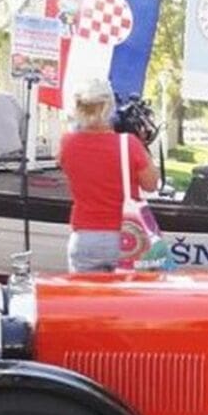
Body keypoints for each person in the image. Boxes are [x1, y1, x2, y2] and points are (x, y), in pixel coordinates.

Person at [58, 79, 160, 273]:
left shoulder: (67, 144)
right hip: (127, 234)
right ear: (110, 106)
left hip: (85, 236)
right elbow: (151, 184)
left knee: (87, 301)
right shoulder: (129, 144)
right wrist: (141, 145)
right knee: (126, 301)